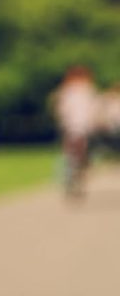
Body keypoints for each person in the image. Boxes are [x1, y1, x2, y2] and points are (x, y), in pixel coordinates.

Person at [50, 66, 100, 200]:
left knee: (72, 153)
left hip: (72, 127)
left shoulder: (67, 90)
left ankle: (71, 176)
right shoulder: (88, 89)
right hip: (82, 127)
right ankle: (74, 176)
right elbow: (94, 110)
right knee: (79, 155)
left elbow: (60, 109)